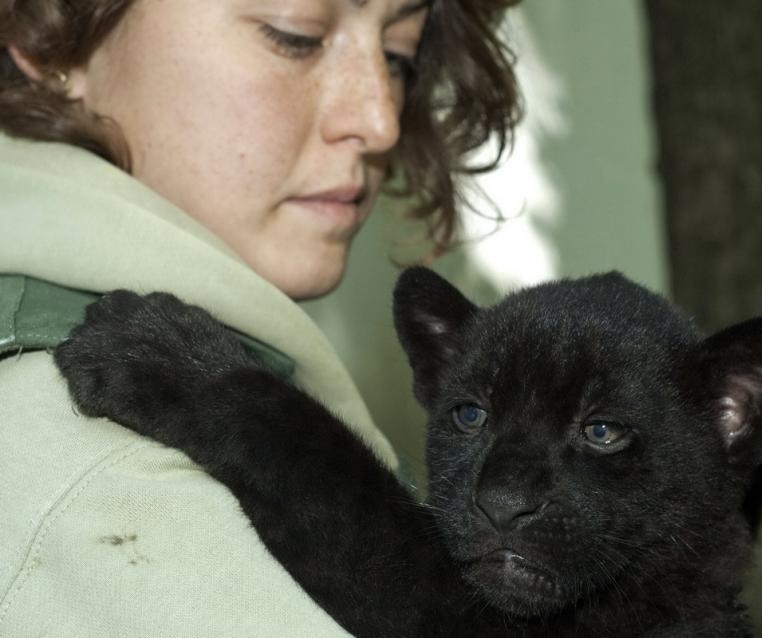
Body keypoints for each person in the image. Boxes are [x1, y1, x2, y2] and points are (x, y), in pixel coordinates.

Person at [0, 0, 521, 635]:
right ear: (52, 36)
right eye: (294, 35)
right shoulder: (120, 490)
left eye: (398, 55)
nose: (381, 119)